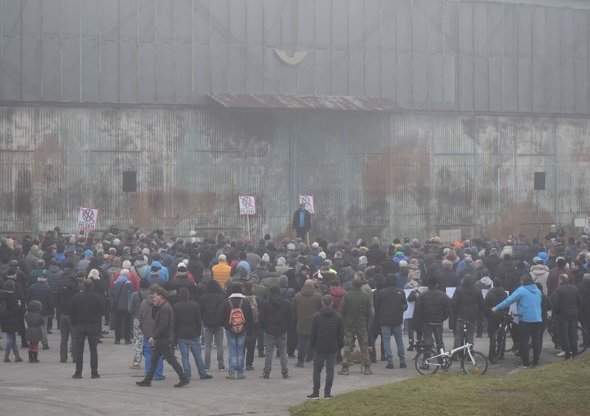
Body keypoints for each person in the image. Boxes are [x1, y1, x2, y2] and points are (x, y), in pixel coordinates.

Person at [136, 286, 189, 387]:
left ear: (161, 296)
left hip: (164, 339)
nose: (153, 298)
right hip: (162, 339)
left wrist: (153, 337)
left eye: (155, 296)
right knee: (154, 360)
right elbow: (154, 317)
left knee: (171, 360)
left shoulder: (165, 308)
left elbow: (163, 326)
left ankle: (183, 378)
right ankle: (148, 380)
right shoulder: (162, 306)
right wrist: (155, 306)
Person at [492, 274, 543, 368]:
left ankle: (526, 363)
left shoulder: (521, 290)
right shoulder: (538, 291)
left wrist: (496, 307)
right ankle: (536, 361)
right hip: (537, 319)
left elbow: (509, 300)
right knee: (536, 340)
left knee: (524, 341)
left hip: (526, 319)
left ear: (522, 281)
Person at [307, 294, 343, 400]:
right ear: (332, 303)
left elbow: (312, 333)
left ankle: (315, 392)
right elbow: (340, 334)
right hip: (333, 347)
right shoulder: (338, 317)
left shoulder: (316, 316)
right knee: (330, 370)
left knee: (317, 370)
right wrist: (339, 346)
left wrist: (312, 345)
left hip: (319, 346)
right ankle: (327, 393)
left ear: (322, 303)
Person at [173, 287, 212, 382]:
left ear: (179, 296)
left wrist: (175, 335)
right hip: (194, 333)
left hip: (181, 334)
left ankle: (187, 374)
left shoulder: (176, 306)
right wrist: (199, 332)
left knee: (185, 356)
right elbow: (198, 320)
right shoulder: (194, 305)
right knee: (197, 355)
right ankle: (202, 373)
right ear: (188, 295)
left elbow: (174, 323)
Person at [216, 283, 254, 380]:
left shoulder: (226, 302)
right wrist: (246, 328)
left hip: (230, 330)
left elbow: (220, 318)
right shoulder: (245, 302)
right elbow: (250, 318)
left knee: (232, 350)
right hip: (243, 329)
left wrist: (228, 327)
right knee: (240, 351)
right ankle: (240, 373)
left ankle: (232, 373)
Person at [338, 273, 373, 375]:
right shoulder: (365, 296)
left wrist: (346, 319)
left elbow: (342, 310)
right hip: (361, 324)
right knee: (364, 346)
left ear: (352, 285)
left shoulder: (347, 295)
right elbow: (369, 311)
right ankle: (367, 368)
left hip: (349, 324)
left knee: (347, 347)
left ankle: (345, 368)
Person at [70, 278, 104, 378]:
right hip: (92, 325)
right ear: (91, 286)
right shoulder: (97, 297)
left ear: (83, 286)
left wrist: (75, 322)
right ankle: (94, 372)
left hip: (80, 325)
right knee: (93, 350)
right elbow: (102, 310)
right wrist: (97, 321)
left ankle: (78, 372)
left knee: (79, 350)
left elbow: (71, 311)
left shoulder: (76, 297)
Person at [374, 274, 407, 369]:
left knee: (386, 340)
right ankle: (402, 361)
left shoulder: (382, 292)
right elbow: (405, 306)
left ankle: (390, 361)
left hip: (385, 319)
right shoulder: (401, 292)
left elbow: (376, 306)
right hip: (397, 319)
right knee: (399, 340)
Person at [259, 285, 291, 379]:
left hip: (269, 330)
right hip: (282, 329)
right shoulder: (286, 303)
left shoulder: (265, 303)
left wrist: (265, 328)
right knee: (283, 351)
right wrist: (286, 327)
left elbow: (261, 318)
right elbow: (290, 318)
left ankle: (266, 372)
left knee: (269, 351)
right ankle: (285, 371)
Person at [413, 277, 450, 355]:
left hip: (427, 322)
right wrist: (443, 318)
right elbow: (448, 309)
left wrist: (420, 321)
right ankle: (442, 359)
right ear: (437, 284)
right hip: (439, 321)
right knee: (439, 341)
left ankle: (426, 360)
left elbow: (418, 310)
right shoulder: (443, 295)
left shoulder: (423, 296)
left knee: (427, 341)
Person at [550, 273, 581, 359]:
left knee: (565, 334)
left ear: (561, 280)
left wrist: (554, 315)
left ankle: (568, 353)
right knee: (573, 333)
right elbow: (579, 301)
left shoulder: (558, 290)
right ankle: (575, 352)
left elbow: (555, 305)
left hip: (562, 315)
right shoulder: (575, 288)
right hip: (573, 314)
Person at [293, 279, 322, 368]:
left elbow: (293, 309)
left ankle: (300, 361)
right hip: (314, 322)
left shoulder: (297, 296)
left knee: (301, 342)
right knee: (314, 341)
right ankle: (313, 359)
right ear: (313, 285)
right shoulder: (318, 296)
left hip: (301, 321)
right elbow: (321, 309)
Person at [199, 279, 226, 371]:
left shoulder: (203, 297)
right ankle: (221, 365)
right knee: (220, 345)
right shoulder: (221, 297)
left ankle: (206, 366)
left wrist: (203, 319)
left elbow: (201, 311)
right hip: (219, 323)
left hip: (207, 323)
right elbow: (224, 311)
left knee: (207, 345)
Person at [1, 280, 24, 362]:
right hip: (12, 320)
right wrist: (19, 305)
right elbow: (16, 310)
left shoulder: (2, 295)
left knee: (12, 338)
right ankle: (6, 356)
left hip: (4, 319)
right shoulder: (14, 297)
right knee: (10, 338)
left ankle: (17, 356)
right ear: (13, 287)